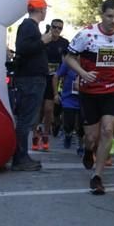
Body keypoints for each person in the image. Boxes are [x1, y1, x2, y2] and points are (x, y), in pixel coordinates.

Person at [65, 0, 114, 195]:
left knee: (108, 130)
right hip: (90, 91)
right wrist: (82, 73)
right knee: (91, 137)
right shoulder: (86, 34)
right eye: (109, 16)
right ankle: (87, 150)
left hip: (113, 89)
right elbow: (68, 57)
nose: (113, 21)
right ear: (101, 15)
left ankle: (97, 176)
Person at [12, 0, 52, 171]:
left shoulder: (29, 26)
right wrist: (42, 41)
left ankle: (21, 157)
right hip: (31, 79)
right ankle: (20, 158)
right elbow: (22, 48)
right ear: (42, 10)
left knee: (26, 119)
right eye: (45, 9)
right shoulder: (28, 26)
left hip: (31, 78)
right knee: (25, 119)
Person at [34, 18, 69, 151]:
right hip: (40, 76)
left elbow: (68, 60)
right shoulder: (43, 39)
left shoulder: (64, 43)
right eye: (54, 27)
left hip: (53, 79)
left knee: (49, 109)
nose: (56, 30)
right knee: (38, 109)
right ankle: (36, 133)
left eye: (60, 28)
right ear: (50, 27)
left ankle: (45, 134)